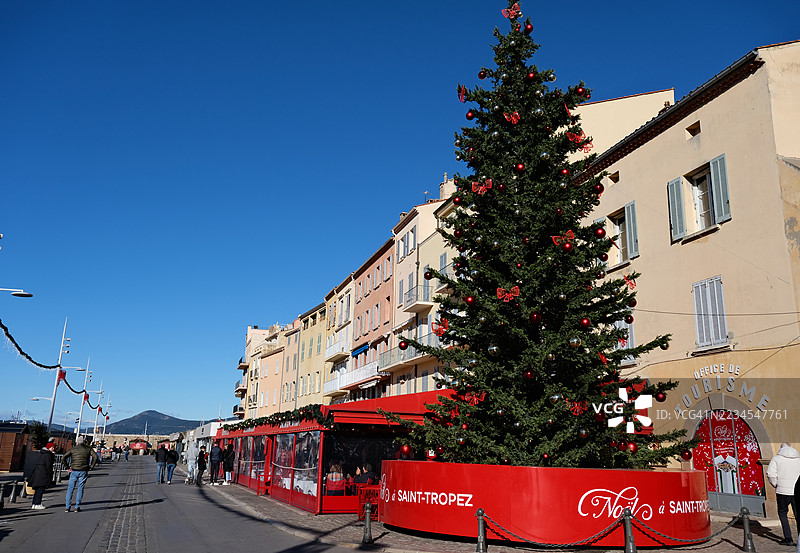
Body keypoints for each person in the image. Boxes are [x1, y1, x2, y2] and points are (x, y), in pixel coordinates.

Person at [767, 442, 800, 546]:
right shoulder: (798, 459)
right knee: (798, 515)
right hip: (797, 491)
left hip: (782, 491)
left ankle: (788, 538)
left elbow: (770, 474)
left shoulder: (776, 459)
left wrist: (776, 484)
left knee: (783, 513)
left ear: (781, 449)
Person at [62, 435, 97, 512]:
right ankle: (77, 506)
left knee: (70, 489)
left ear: (77, 442)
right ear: (84, 441)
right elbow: (95, 456)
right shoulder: (88, 449)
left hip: (74, 470)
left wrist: (67, 467)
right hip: (83, 470)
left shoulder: (73, 449)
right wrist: (91, 466)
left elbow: (63, 457)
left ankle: (67, 507)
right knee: (80, 488)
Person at [28, 440, 56, 510]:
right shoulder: (48, 455)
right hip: (43, 474)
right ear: (49, 448)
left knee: (37, 490)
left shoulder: (42, 454)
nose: (53, 449)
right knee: (40, 490)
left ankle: (34, 504)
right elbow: (48, 466)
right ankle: (38, 503)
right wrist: (50, 474)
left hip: (37, 473)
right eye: (52, 447)